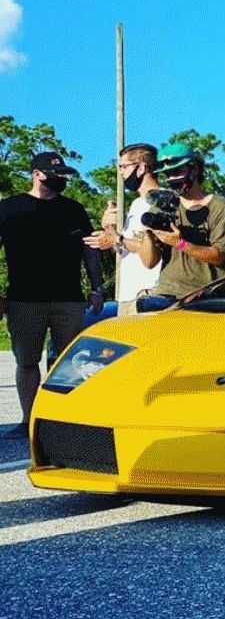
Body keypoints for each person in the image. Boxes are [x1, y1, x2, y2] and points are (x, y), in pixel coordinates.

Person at [0, 151, 105, 439]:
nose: (61, 179)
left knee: (72, 361)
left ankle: (67, 420)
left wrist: (96, 288)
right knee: (27, 362)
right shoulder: (9, 208)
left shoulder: (74, 209)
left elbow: (90, 250)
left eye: (63, 175)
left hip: (68, 298)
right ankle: (28, 420)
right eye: (54, 174)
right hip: (24, 298)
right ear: (36, 174)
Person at [136, 142, 225, 300]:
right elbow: (149, 263)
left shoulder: (220, 207)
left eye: (176, 172)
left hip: (208, 296)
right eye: (167, 174)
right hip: (168, 294)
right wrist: (148, 232)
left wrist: (180, 243)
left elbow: (219, 256)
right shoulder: (161, 207)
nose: (171, 179)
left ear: (194, 169)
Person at [84, 142, 163, 314]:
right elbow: (126, 249)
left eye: (123, 167)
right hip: (127, 295)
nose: (121, 173)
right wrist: (109, 230)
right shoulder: (136, 204)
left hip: (149, 294)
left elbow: (150, 253)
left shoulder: (161, 202)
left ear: (141, 168)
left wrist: (117, 238)